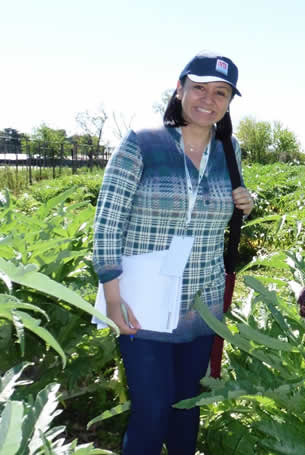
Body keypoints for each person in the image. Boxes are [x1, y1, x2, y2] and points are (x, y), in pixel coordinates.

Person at [92, 51, 253, 455]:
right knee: (151, 411)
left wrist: (245, 203)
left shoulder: (229, 149)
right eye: (199, 87)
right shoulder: (141, 144)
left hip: (202, 304)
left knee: (187, 409)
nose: (208, 99)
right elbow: (108, 223)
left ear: (229, 101)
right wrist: (113, 299)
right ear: (179, 88)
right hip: (142, 304)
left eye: (221, 92)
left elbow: (219, 214)